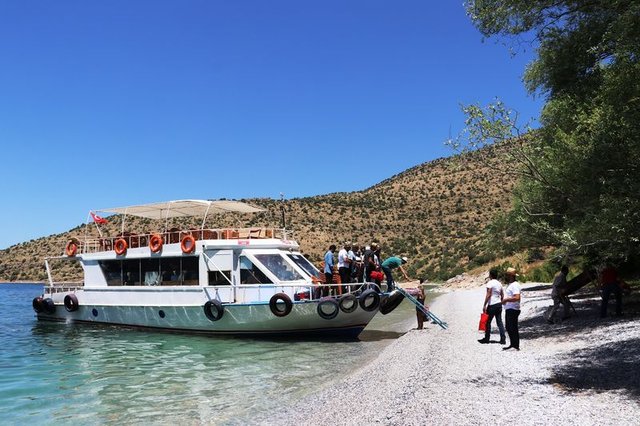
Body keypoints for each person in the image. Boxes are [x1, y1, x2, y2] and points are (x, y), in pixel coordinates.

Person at [478, 268, 506, 344]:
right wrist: (501, 302)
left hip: (492, 304)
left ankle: (487, 338)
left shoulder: (490, 283)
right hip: (499, 304)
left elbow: (488, 294)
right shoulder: (499, 283)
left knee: (488, 321)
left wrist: (484, 305)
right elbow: (502, 294)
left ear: (490, 275)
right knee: (499, 322)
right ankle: (503, 339)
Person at [502, 267, 521, 351]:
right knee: (510, 327)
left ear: (510, 276)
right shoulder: (511, 284)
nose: (505, 276)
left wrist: (506, 300)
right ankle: (513, 344)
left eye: (507, 275)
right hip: (510, 308)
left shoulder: (515, 285)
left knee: (512, 327)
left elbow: (517, 297)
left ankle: (515, 345)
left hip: (513, 309)